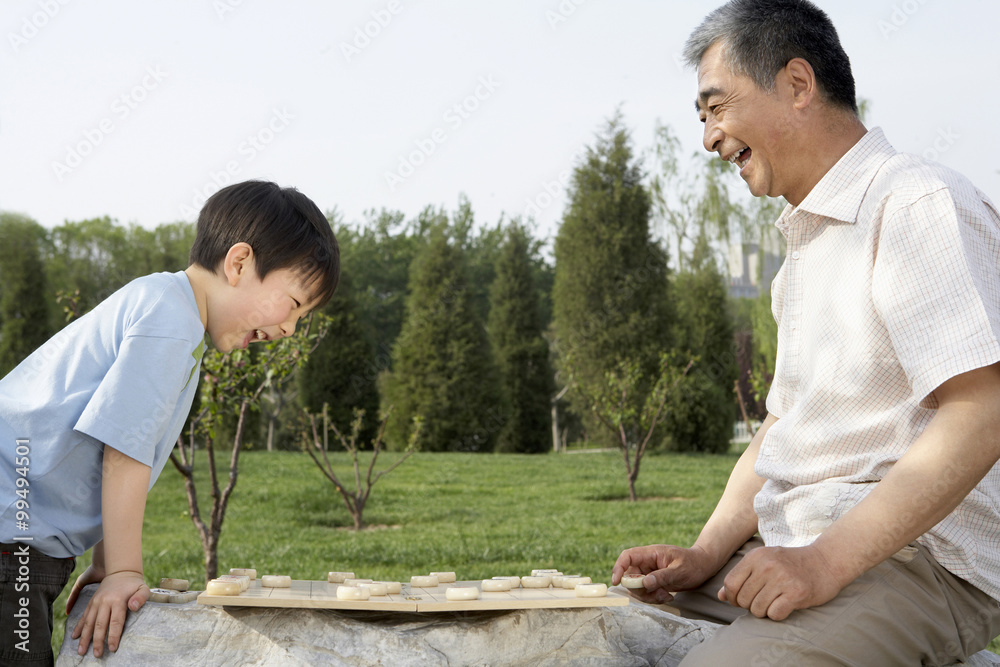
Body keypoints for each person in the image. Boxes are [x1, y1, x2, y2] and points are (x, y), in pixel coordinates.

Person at [611, 1, 1000, 664]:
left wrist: (823, 562)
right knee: (584, 631)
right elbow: (781, 427)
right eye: (701, 117)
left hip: (918, 564)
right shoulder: (803, 256)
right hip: (795, 553)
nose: (708, 138)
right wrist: (705, 554)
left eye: (715, 107)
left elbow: (982, 410)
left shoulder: (915, 203)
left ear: (797, 84)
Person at [0, 180, 339, 664]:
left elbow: (106, 445)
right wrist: (122, 571)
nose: (289, 329)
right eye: (295, 304)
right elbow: (124, 450)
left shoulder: (169, 311)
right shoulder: (171, 321)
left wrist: (102, 560)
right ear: (239, 263)